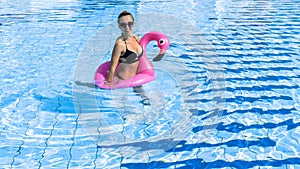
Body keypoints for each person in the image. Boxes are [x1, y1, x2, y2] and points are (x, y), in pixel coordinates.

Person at [105, 10, 143, 86]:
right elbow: (112, 68)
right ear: (119, 26)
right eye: (123, 25)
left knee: (145, 97)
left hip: (135, 80)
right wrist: (108, 85)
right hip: (121, 82)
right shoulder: (120, 44)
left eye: (130, 24)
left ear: (134, 23)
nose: (127, 27)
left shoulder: (136, 38)